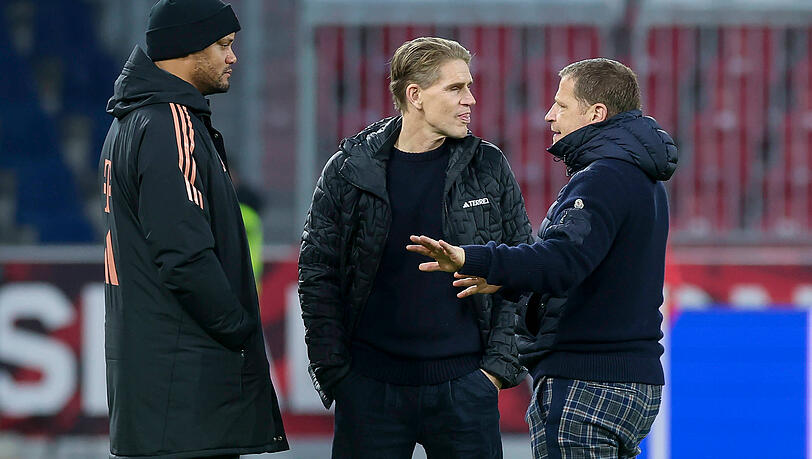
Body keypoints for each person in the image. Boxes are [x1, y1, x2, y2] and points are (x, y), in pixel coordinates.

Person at [408, 58, 678, 458]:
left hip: (586, 382)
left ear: (596, 114)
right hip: (631, 381)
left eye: (562, 105)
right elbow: (591, 268)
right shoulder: (642, 178)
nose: (550, 115)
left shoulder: (603, 178)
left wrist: (473, 258)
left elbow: (562, 261)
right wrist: (507, 278)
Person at [298, 37, 533, 458]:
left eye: (469, 86)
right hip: (370, 389)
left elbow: (522, 265)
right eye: (455, 88)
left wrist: (494, 372)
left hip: (465, 387)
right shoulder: (350, 170)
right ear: (415, 96)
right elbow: (318, 273)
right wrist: (336, 373)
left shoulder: (489, 165)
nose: (471, 99)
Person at [99, 1, 287, 457]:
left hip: (161, 389)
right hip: (187, 391)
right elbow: (184, 255)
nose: (232, 57)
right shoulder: (168, 123)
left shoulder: (130, 122)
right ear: (187, 47)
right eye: (223, 44)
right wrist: (238, 328)